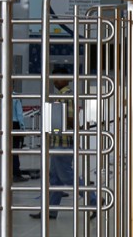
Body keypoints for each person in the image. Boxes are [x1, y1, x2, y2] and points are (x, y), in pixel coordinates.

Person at [31, 66, 96, 220]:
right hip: (57, 141)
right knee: (54, 178)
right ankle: (50, 211)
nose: (55, 81)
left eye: (59, 77)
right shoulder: (59, 96)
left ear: (67, 79)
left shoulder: (66, 96)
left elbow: (71, 120)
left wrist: (55, 116)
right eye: (54, 78)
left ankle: (94, 200)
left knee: (66, 176)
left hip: (63, 143)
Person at [0, 86, 29, 182]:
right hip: (13, 124)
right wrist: (22, 127)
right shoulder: (14, 96)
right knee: (14, 150)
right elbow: (19, 113)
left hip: (0, 123)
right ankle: (15, 174)